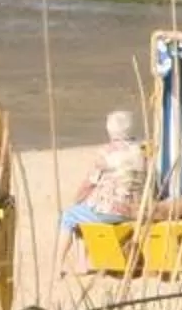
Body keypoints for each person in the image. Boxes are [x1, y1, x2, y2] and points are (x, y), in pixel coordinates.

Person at [58, 110, 148, 267]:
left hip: (111, 211)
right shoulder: (141, 151)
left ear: (109, 130)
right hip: (137, 209)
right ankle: (82, 263)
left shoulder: (106, 153)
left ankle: (58, 265)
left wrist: (76, 199)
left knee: (69, 216)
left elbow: (89, 184)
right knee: (83, 210)